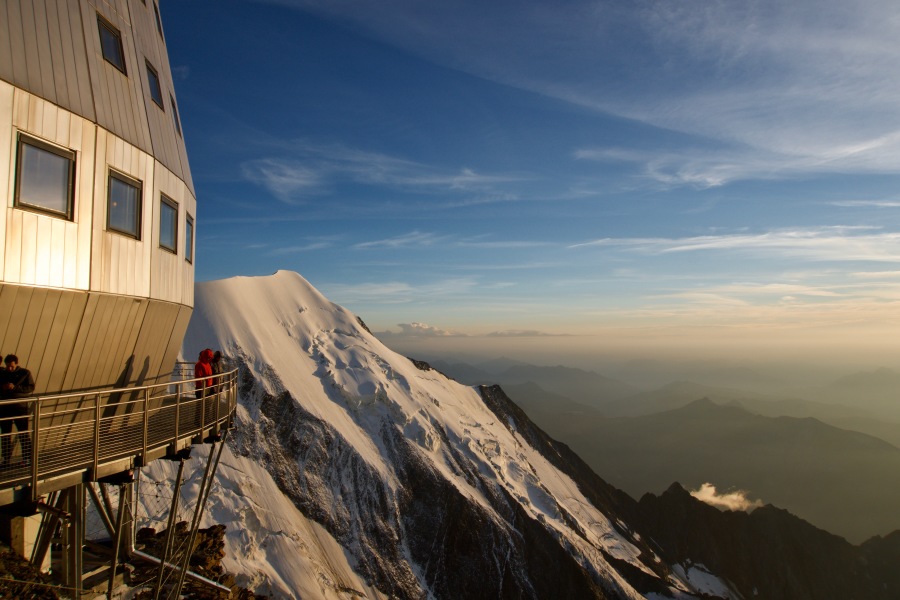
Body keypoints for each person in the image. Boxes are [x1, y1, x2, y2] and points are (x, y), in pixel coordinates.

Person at [0, 354, 35, 467]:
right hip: (5, 408)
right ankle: (6, 459)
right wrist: (3, 387)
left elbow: (30, 387)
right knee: (5, 434)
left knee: (23, 433)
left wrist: (15, 387)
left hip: (20, 408)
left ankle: (27, 458)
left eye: (12, 366)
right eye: (8, 366)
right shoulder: (3, 373)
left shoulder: (25, 373)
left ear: (16, 364)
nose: (9, 368)